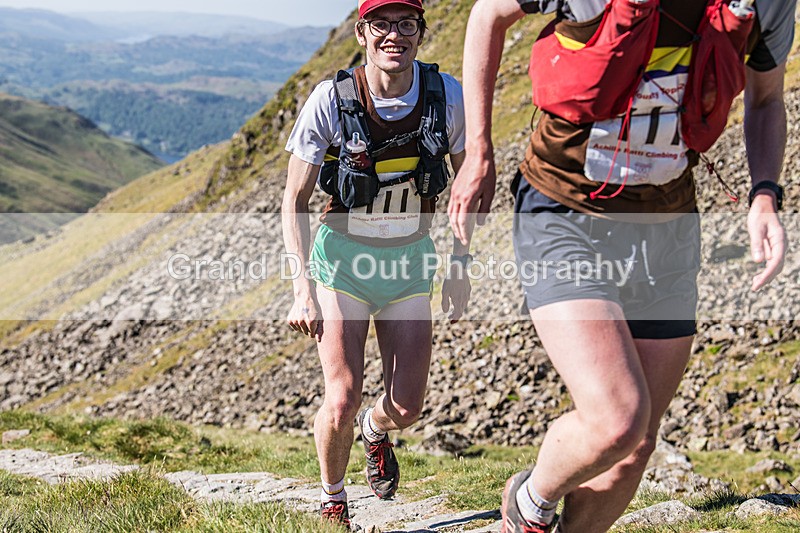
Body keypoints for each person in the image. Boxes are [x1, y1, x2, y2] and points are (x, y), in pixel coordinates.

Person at [448, 0, 791, 531]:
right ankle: (529, 501)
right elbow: (487, 15)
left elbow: (766, 100)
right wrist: (478, 151)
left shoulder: (765, 3)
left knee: (635, 446)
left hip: (666, 226)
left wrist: (764, 195)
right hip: (564, 212)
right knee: (617, 420)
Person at [282, 0, 470, 527]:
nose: (395, 35)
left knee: (407, 407)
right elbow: (293, 200)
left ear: (420, 33)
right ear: (362, 33)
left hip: (409, 260)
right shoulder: (331, 100)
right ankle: (333, 500)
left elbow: (473, 183)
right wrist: (301, 287)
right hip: (341, 261)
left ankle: (375, 429)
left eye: (406, 24)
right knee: (341, 396)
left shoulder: (446, 96)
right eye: (382, 25)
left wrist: (462, 261)